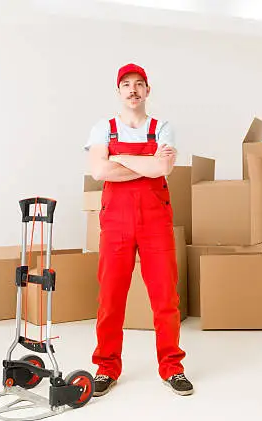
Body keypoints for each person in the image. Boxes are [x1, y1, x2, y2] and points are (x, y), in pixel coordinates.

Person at [84, 63, 193, 396]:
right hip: (116, 220)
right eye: (126, 84)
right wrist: (145, 164)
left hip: (155, 221)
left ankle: (172, 367)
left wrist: (122, 159)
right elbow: (100, 171)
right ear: (119, 91)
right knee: (111, 297)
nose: (133, 90)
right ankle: (106, 367)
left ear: (147, 91)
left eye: (139, 84)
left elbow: (164, 167)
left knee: (165, 297)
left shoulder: (162, 126)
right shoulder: (103, 127)